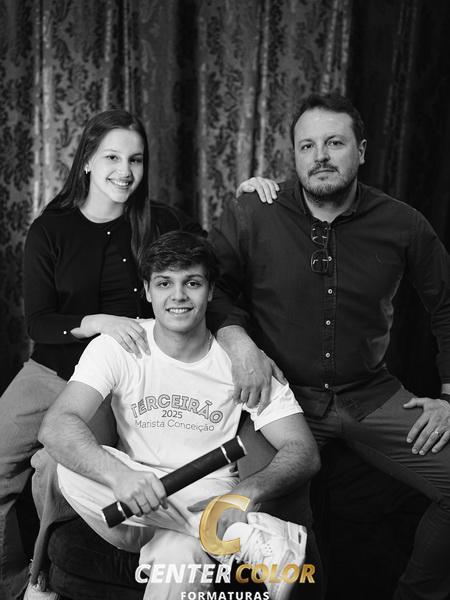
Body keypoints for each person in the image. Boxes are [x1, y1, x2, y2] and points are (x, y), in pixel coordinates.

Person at [0, 108, 267, 600]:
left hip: (124, 374)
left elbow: (209, 269)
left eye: (136, 160)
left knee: (54, 467)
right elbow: (38, 321)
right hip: (54, 368)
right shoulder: (50, 229)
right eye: (112, 158)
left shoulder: (159, 220)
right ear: (86, 160)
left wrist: (246, 203)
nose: (125, 171)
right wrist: (96, 322)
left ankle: (42, 577)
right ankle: (14, 586)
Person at [208, 92, 450, 600]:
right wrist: (239, 343)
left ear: (360, 151)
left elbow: (446, 306)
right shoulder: (255, 211)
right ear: (294, 155)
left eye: (334, 143)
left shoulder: (402, 223)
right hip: (280, 401)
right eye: (307, 146)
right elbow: (213, 289)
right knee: (271, 528)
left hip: (369, 394)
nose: (320, 156)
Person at [38, 231, 320, 600]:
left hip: (207, 494)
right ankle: (245, 536)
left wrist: (247, 491)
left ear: (211, 290)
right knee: (68, 467)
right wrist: (120, 475)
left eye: (192, 283)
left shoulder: (244, 364)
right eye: (164, 283)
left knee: (179, 556)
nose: (178, 296)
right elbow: (56, 426)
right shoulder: (118, 347)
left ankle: (209, 528)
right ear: (147, 290)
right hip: (128, 500)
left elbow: (303, 450)